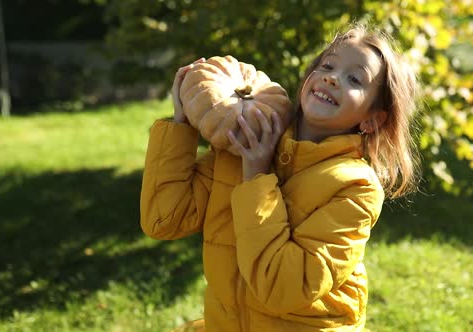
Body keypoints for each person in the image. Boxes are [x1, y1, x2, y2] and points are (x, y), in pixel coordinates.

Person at [140, 22, 420, 332]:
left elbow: (281, 288)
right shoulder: (245, 141)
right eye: (327, 65)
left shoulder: (356, 189)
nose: (332, 77)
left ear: (371, 119)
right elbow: (163, 219)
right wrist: (183, 125)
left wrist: (256, 175)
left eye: (354, 78)